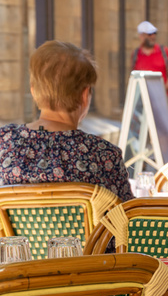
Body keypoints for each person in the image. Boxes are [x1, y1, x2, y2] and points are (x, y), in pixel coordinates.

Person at [0, 40, 133, 201]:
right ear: (85, 95)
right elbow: (125, 218)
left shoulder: (4, 141)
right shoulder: (104, 156)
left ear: (33, 91)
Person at [131, 20, 168, 95]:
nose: (153, 36)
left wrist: (163, 90)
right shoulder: (135, 54)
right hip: (142, 97)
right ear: (142, 36)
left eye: (154, 33)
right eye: (149, 34)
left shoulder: (164, 51)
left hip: (161, 96)